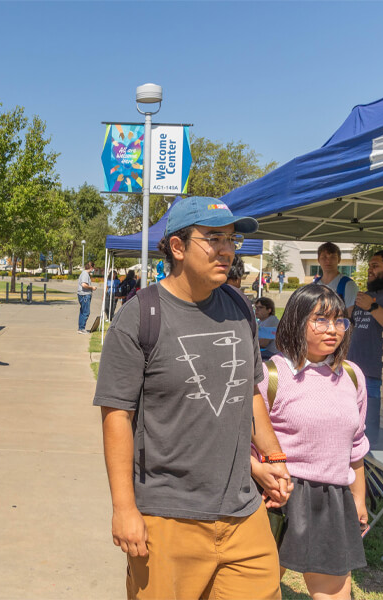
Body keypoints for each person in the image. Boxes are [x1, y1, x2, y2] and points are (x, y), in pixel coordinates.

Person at [94, 197, 290, 599]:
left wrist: (274, 458)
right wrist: (124, 508)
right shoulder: (140, 316)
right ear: (178, 247)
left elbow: (250, 388)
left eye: (231, 240)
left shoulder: (238, 306)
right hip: (168, 517)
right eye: (214, 238)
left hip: (242, 513)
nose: (227, 250)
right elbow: (116, 415)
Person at [256, 284, 368, 598]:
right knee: (260, 589)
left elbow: (355, 446)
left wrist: (358, 498)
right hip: (277, 497)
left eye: (340, 321)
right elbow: (247, 442)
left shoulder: (352, 376)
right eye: (321, 320)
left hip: (332, 499)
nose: (333, 329)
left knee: (334, 593)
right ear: (296, 320)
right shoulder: (270, 376)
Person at [349, 249, 383, 446]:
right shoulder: (367, 295)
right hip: (352, 371)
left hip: (373, 375)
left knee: (370, 434)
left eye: (375, 265)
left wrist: (371, 307)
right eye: (370, 265)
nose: (370, 270)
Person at [316, 241, 357, 316]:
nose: (328, 261)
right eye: (324, 257)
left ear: (339, 260)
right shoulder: (314, 285)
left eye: (332, 257)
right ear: (318, 260)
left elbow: (350, 316)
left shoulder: (348, 285)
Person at [76, 261, 96, 334]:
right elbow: (84, 285)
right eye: (93, 267)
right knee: (86, 312)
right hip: (84, 295)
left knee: (82, 311)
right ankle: (82, 328)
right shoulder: (85, 274)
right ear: (91, 267)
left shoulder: (84, 274)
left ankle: (80, 328)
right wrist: (92, 287)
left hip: (83, 294)